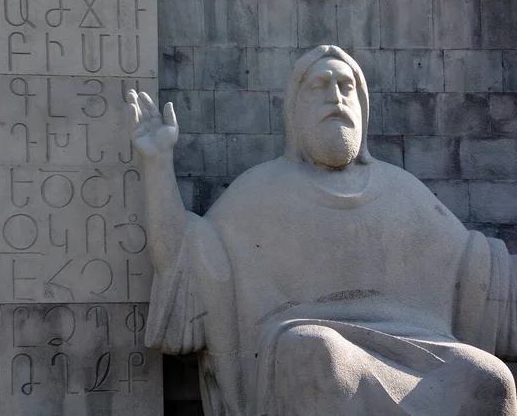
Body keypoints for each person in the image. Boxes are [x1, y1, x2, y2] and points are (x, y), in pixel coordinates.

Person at [127, 45, 517, 415]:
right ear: (296, 113)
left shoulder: (401, 191)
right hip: (307, 342)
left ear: (363, 108)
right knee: (322, 355)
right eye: (321, 86)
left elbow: (480, 272)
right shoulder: (260, 189)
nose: (336, 97)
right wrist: (157, 165)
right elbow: (187, 262)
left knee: (489, 378)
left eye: (346, 87)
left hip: (414, 345)